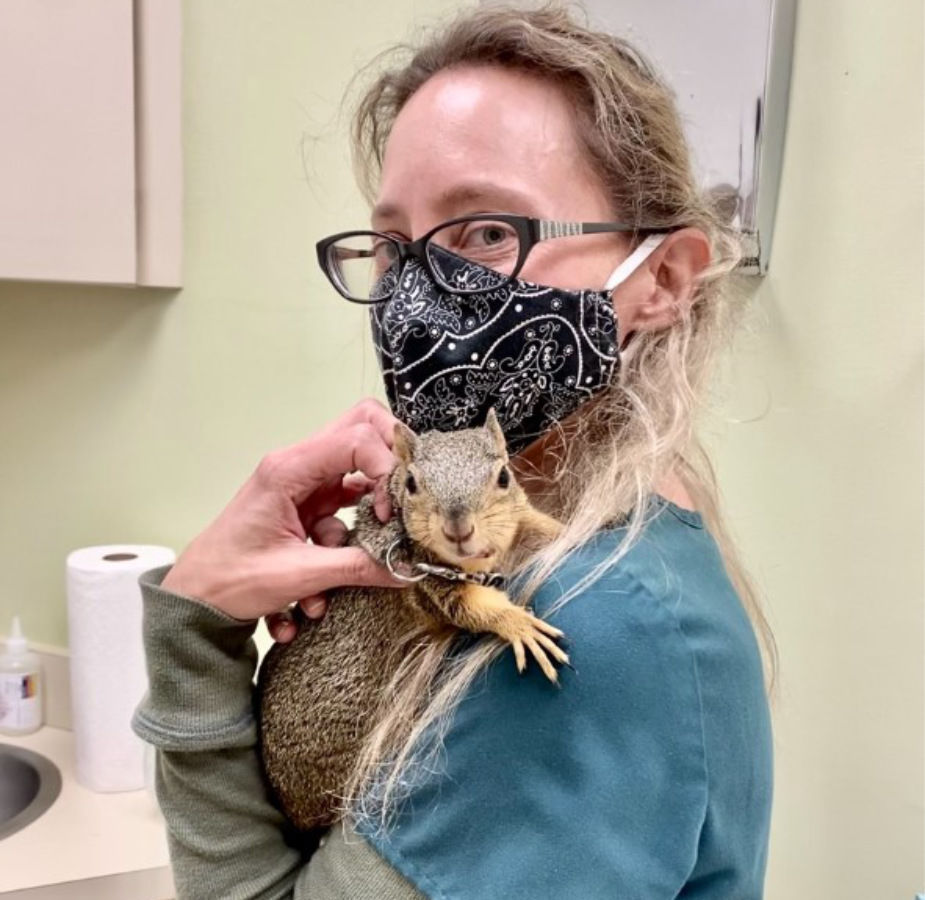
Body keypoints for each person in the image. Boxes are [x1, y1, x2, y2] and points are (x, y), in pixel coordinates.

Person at [132, 4, 777, 898]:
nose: (421, 294)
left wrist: (192, 628)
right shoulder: (621, 541)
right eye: (396, 247)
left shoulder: (589, 626)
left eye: (486, 232)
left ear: (660, 281)